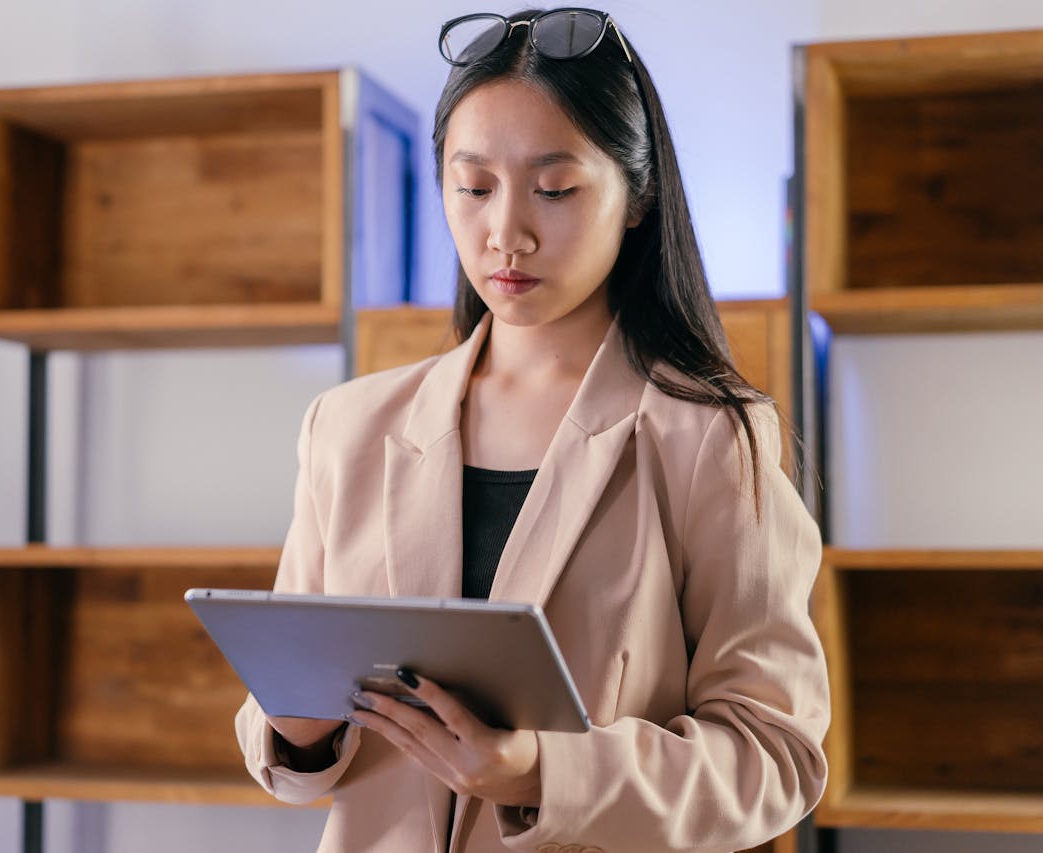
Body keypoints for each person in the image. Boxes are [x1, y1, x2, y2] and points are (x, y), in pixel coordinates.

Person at [236, 8, 829, 852]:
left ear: (637, 194)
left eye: (554, 189)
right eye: (472, 187)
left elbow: (777, 756)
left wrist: (545, 772)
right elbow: (295, 740)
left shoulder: (708, 437)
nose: (503, 233)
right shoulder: (348, 426)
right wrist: (296, 726)